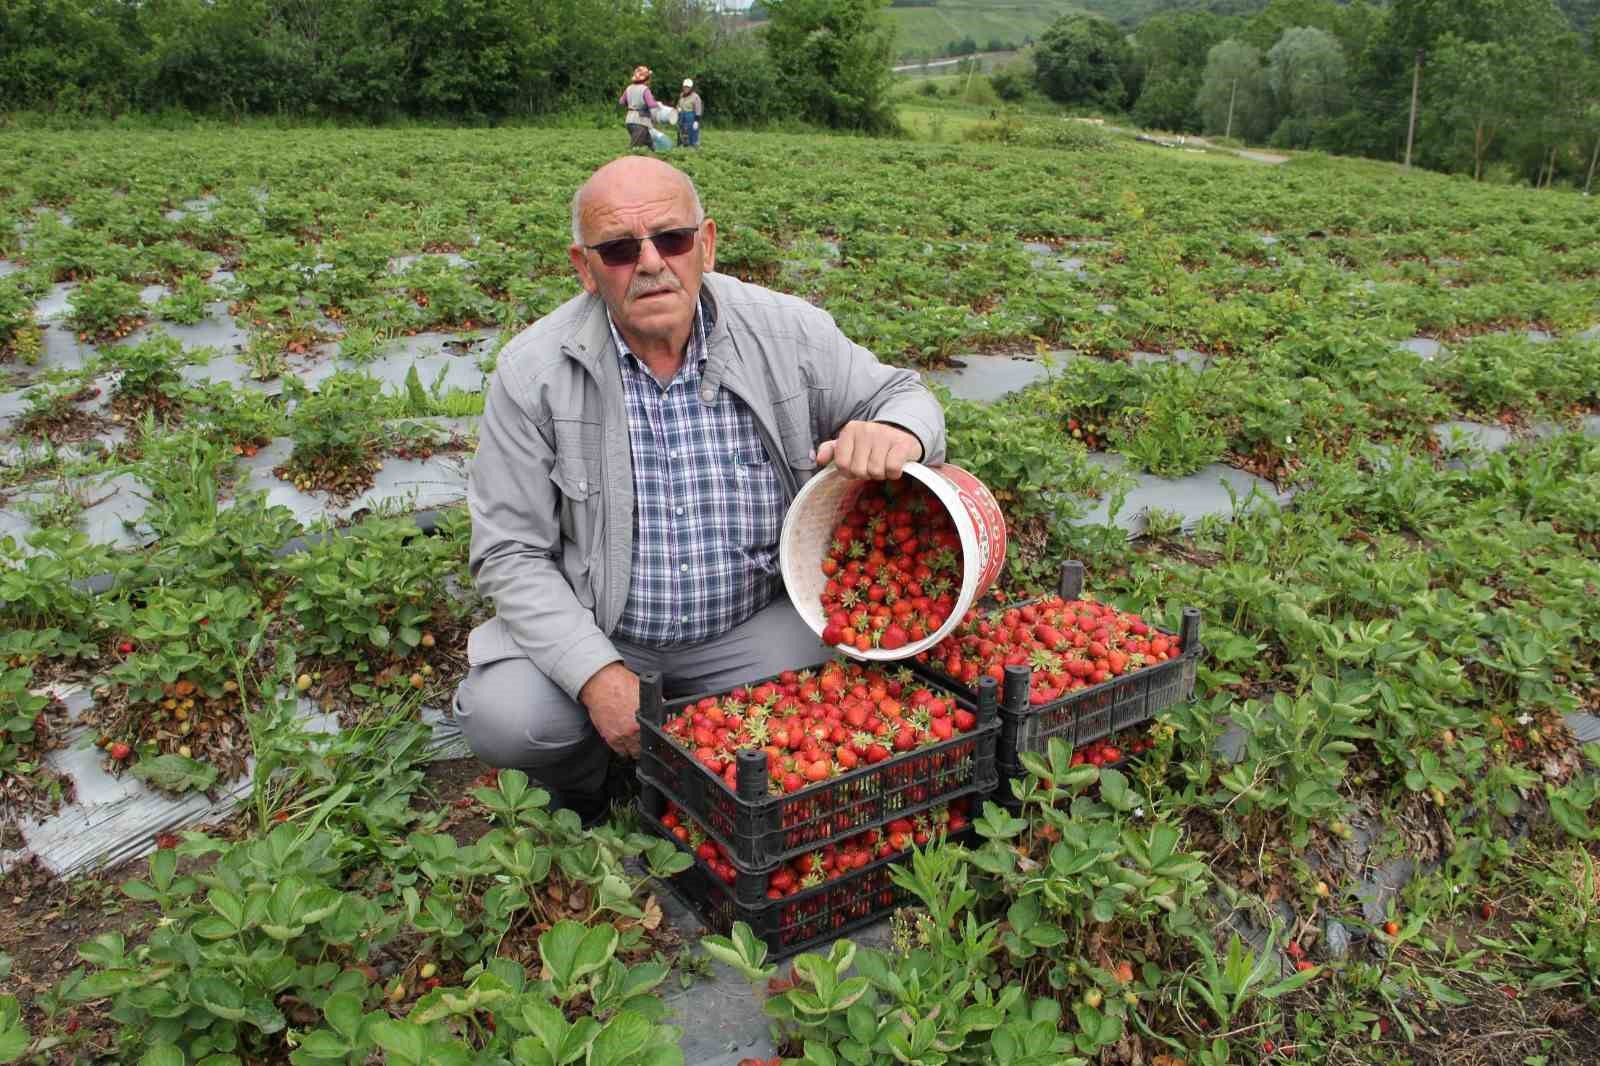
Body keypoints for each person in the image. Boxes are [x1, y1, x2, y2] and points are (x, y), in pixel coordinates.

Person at [455, 157, 945, 823]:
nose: (651, 263)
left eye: (672, 239)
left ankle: (715, 767)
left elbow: (904, 394)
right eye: (620, 250)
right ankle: (588, 780)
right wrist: (597, 675)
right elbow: (510, 551)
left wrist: (895, 432)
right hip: (606, 629)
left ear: (706, 244)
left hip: (753, 627)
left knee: (855, 673)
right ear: (585, 267)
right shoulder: (533, 373)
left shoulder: (787, 331)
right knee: (507, 716)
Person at [619, 66, 657, 151]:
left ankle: (655, 157)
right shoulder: (645, 89)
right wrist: (658, 104)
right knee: (635, 148)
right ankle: (628, 162)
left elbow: (621, 102)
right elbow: (651, 104)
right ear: (646, 79)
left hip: (629, 120)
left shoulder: (629, 88)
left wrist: (632, 104)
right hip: (640, 122)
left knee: (651, 145)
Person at [676, 79, 703, 149]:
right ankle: (681, 145)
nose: (686, 88)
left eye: (688, 87)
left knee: (691, 133)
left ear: (691, 88)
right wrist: (678, 108)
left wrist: (696, 121)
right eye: (685, 87)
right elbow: (678, 104)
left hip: (691, 117)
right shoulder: (681, 95)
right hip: (681, 116)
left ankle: (693, 146)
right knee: (681, 132)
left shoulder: (695, 97)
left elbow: (698, 109)